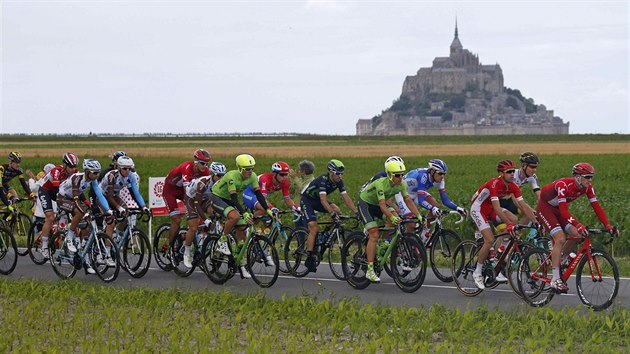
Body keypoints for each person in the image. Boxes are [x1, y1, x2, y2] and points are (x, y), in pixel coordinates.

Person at [536, 162, 619, 293]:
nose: (590, 180)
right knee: (560, 238)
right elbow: (564, 212)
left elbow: (596, 207)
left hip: (558, 209)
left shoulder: (587, 188)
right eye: (587, 177)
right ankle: (555, 278)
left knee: (579, 235)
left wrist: (608, 225)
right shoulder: (563, 185)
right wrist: (578, 224)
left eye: (591, 177)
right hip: (545, 208)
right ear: (577, 177)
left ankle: (561, 257)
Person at [469, 159, 539, 289]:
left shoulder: (513, 186)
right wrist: (508, 224)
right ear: (501, 173)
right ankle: (477, 272)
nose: (513, 174)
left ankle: (498, 259)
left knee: (510, 225)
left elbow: (523, 205)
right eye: (509, 172)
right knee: (489, 240)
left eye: (513, 171)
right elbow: (497, 208)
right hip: (478, 208)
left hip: (490, 208)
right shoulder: (494, 184)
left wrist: (536, 221)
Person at [358, 159, 424, 282]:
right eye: (397, 175)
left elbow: (408, 200)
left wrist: (419, 216)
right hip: (366, 204)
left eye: (402, 174)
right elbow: (383, 205)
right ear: (389, 175)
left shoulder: (402, 184)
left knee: (394, 218)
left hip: (378, 204)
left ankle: (382, 242)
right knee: (374, 233)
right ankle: (370, 270)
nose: (401, 178)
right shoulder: (380, 183)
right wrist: (392, 217)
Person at [209, 154, 274, 278]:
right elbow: (234, 199)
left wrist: (267, 209)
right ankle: (221, 241)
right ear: (240, 169)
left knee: (243, 229)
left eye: (251, 168)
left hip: (229, 199)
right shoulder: (231, 176)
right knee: (235, 217)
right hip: (217, 197)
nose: (250, 172)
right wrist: (243, 212)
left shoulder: (253, 177)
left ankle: (242, 265)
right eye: (247, 169)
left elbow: (259, 195)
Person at [300, 159, 358, 273]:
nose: (340, 176)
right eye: (337, 173)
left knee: (337, 210)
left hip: (318, 201)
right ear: (331, 172)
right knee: (313, 226)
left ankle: (325, 232)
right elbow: (323, 200)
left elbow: (346, 199)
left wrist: (356, 212)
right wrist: (330, 212)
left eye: (342, 174)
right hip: (307, 201)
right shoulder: (323, 180)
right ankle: (309, 257)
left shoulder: (339, 182)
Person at [56, 159, 114, 272]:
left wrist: (108, 210)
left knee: (87, 226)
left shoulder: (93, 180)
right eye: (95, 173)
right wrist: (85, 212)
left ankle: (85, 259)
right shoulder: (77, 178)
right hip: (63, 198)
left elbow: (100, 196)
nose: (97, 175)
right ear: (87, 172)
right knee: (80, 212)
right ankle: (69, 237)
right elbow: (76, 199)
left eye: (98, 172)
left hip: (74, 199)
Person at [395, 159, 468, 241]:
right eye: (440, 173)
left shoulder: (440, 179)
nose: (442, 176)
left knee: (435, 205)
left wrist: (458, 208)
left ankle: (424, 234)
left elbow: (445, 200)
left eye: (444, 174)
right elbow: (421, 201)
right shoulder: (423, 176)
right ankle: (405, 244)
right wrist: (432, 209)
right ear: (432, 172)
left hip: (415, 192)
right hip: (401, 193)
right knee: (412, 224)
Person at [161, 149, 211, 252]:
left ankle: (185, 235)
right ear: (196, 162)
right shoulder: (187, 167)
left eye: (206, 164)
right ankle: (169, 244)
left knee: (198, 218)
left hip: (183, 191)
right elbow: (187, 190)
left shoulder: (205, 171)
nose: (204, 166)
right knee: (177, 219)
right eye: (202, 163)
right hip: (170, 190)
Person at [181, 162, 226, 268]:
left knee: (217, 213)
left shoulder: (222, 184)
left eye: (223, 175)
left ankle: (207, 240)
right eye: (219, 175)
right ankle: (187, 252)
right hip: (191, 200)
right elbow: (197, 205)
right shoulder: (203, 183)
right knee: (193, 226)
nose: (221, 178)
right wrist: (206, 221)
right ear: (212, 174)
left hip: (205, 199)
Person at [38, 153, 79, 259]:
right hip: (46, 191)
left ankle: (65, 243)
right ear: (64, 165)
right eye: (71, 166)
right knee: (50, 217)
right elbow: (57, 190)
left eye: (75, 166)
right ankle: (44, 246)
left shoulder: (75, 173)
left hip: (59, 192)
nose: (73, 169)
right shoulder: (56, 171)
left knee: (72, 212)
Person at [99, 156, 149, 242]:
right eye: (124, 168)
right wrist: (119, 208)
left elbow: (135, 194)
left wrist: (143, 207)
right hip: (102, 196)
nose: (127, 171)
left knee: (127, 213)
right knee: (111, 223)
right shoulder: (112, 176)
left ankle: (117, 235)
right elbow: (109, 196)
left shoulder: (131, 176)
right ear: (118, 167)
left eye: (129, 168)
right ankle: (107, 251)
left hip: (113, 196)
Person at [500, 152, 541, 231]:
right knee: (526, 212)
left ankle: (518, 235)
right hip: (499, 201)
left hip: (509, 201)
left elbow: (539, 195)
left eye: (536, 167)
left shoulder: (533, 177)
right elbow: (515, 199)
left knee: (528, 214)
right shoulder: (512, 175)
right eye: (532, 167)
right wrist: (529, 210)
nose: (534, 170)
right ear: (524, 166)